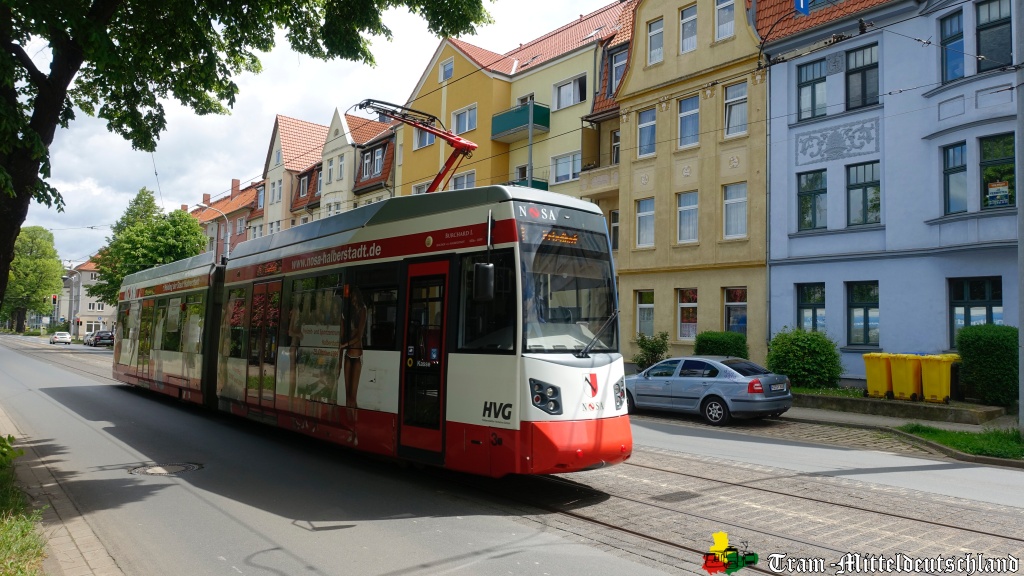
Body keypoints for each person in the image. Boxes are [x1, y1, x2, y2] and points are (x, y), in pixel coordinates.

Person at [341, 286, 367, 410]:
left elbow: (359, 336)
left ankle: (354, 419)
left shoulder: (363, 310)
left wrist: (344, 344)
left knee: (352, 398)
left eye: (353, 296)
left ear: (357, 296)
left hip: (357, 355)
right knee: (347, 398)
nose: (351, 299)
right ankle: (349, 420)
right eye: (350, 297)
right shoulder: (350, 312)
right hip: (348, 354)